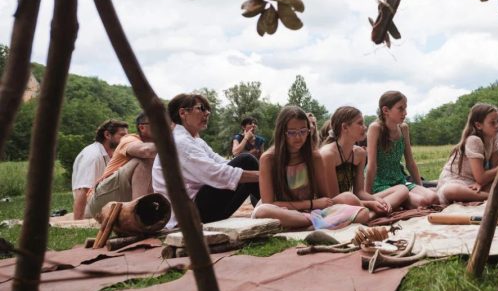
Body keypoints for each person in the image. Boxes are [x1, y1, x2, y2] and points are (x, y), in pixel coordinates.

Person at [251, 105, 368, 229]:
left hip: (311, 212)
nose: (298, 137)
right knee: (262, 212)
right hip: (285, 212)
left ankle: (311, 224)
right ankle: (317, 223)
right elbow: (269, 203)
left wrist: (316, 205)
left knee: (354, 202)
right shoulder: (268, 159)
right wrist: (310, 203)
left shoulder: (314, 157)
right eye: (292, 133)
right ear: (282, 133)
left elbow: (326, 200)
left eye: (303, 131)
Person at [152, 93, 260, 228]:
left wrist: (262, 173)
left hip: (200, 208)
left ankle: (269, 206)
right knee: (246, 161)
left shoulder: (196, 141)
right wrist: (264, 175)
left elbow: (222, 163)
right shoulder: (180, 142)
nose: (207, 113)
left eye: (208, 110)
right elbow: (216, 173)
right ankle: (275, 206)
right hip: (188, 214)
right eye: (201, 108)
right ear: (183, 113)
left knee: (246, 166)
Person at [319, 106, 409, 213]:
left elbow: (359, 192)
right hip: (332, 205)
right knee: (349, 197)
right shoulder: (328, 154)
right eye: (360, 123)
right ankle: (375, 212)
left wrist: (376, 199)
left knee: (402, 189)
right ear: (345, 127)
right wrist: (369, 203)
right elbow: (334, 199)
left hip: (350, 201)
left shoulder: (359, 153)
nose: (365, 127)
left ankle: (380, 209)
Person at [366, 91, 439, 208]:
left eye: (405, 108)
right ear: (386, 111)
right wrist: (367, 196)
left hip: (400, 181)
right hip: (380, 184)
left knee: (433, 198)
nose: (405, 113)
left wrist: (419, 186)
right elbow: (371, 165)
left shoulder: (403, 128)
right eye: (400, 109)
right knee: (422, 202)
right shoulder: (375, 128)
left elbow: (410, 162)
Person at [84, 112, 157, 219]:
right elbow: (146, 151)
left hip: (119, 198)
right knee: (144, 160)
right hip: (99, 201)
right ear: (142, 127)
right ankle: (140, 215)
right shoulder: (129, 139)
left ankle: (143, 211)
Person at [436, 103, 498, 203]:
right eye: (492, 123)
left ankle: (483, 195)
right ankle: (491, 196)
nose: (497, 126)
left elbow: (494, 167)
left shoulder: (493, 137)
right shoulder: (474, 140)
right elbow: (482, 177)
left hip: (476, 182)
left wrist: (482, 182)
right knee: (451, 191)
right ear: (478, 125)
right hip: (457, 180)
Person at [71, 119, 128, 219]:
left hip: (103, 202)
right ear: (107, 135)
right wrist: (78, 222)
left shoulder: (111, 154)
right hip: (91, 209)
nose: (126, 139)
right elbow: (82, 191)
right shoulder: (93, 155)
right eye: (122, 135)